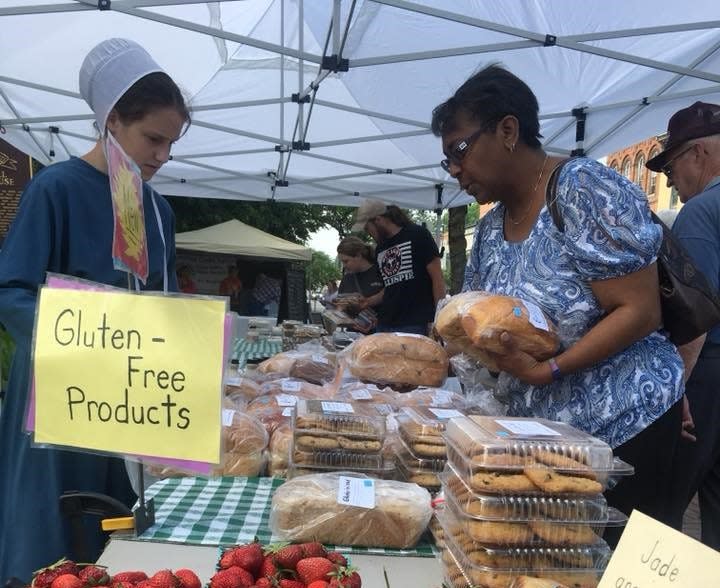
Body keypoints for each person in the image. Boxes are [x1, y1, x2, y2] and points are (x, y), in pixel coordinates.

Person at [431, 65, 684, 539]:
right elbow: (480, 323)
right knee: (551, 559)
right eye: (447, 162)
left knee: (609, 561)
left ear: (508, 130)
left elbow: (640, 309)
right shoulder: (488, 229)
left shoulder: (580, 187)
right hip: (545, 442)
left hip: (624, 423)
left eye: (459, 151)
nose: (455, 170)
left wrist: (549, 370)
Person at [0, 38, 190, 579]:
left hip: (131, 401)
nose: (161, 156)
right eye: (152, 139)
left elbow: (164, 301)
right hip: (59, 395)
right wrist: (83, 335)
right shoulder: (55, 189)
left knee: (120, 528)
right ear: (110, 121)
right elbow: (10, 290)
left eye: (171, 144)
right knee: (52, 532)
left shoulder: (158, 211)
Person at [646, 101, 720, 548]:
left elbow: (697, 316)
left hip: (709, 376)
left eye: (670, 167)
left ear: (697, 154)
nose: (670, 180)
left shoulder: (700, 213)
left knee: (663, 506)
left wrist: (673, 394)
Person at [351, 200, 446, 335]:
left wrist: (440, 317)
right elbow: (390, 287)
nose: (368, 234)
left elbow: (437, 278)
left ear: (378, 220)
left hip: (414, 323)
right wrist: (367, 302)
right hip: (385, 324)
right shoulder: (380, 249)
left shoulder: (418, 235)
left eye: (367, 228)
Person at [335, 236, 384, 332]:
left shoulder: (380, 272)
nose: (344, 265)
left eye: (346, 261)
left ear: (358, 255)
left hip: (379, 334)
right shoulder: (347, 278)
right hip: (353, 335)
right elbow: (340, 307)